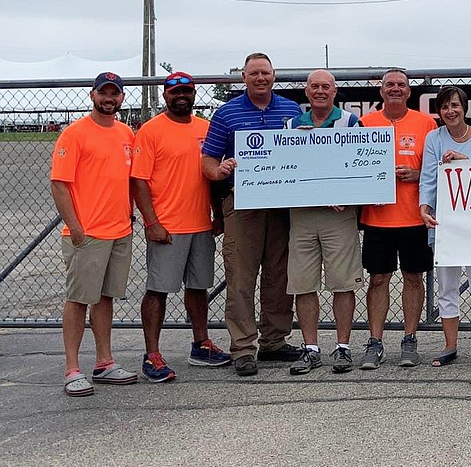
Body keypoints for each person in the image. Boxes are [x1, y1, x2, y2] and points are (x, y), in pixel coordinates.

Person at [201, 53, 302, 377]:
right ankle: (243, 347)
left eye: (266, 73)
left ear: (275, 76)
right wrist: (220, 170)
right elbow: (208, 160)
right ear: (243, 77)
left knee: (279, 275)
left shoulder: (291, 110)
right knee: (241, 277)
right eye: (254, 73)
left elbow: (306, 154)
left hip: (282, 204)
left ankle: (274, 340)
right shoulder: (227, 113)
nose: (261, 78)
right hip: (242, 204)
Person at [131, 72, 231, 383]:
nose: (181, 96)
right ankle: (152, 354)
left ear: (194, 93)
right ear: (165, 96)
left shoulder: (206, 128)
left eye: (187, 91)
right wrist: (152, 222)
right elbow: (139, 181)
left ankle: (201, 344)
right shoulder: (150, 132)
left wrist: (218, 215)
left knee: (198, 287)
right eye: (175, 92)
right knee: (159, 290)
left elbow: (212, 175)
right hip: (167, 227)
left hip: (201, 224)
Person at [50, 71, 139, 396]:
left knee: (105, 298)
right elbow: (59, 184)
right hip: (87, 233)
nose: (109, 98)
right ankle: (72, 368)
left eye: (115, 94)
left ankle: (104, 361)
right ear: (92, 95)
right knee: (78, 299)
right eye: (104, 92)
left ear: (122, 99)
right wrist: (75, 227)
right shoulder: (74, 135)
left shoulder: (126, 133)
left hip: (119, 231)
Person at [285, 70, 364, 375]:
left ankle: (343, 348)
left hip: (338, 214)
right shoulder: (291, 126)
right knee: (303, 284)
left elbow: (363, 166)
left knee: (343, 282)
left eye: (325, 87)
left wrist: (348, 194)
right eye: (314, 86)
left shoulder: (350, 123)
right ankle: (311, 348)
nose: (320, 91)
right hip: (302, 215)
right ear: (306, 92)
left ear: (335, 92)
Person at [358, 68, 437, 369]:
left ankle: (410, 339)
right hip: (378, 218)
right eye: (389, 84)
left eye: (400, 85)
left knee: (413, 278)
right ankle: (375, 342)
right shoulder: (365, 124)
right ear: (380, 91)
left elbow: (435, 170)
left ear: (408, 91)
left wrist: (417, 174)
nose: (394, 89)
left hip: (415, 216)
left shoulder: (426, 123)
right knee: (378, 279)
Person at [419, 86, 471, 370]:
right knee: (446, 286)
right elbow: (428, 176)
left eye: (455, 105)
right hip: (444, 223)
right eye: (444, 107)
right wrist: (424, 207)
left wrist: (465, 162)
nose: (450, 111)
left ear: (464, 107)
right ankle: (450, 346)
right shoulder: (433, 138)